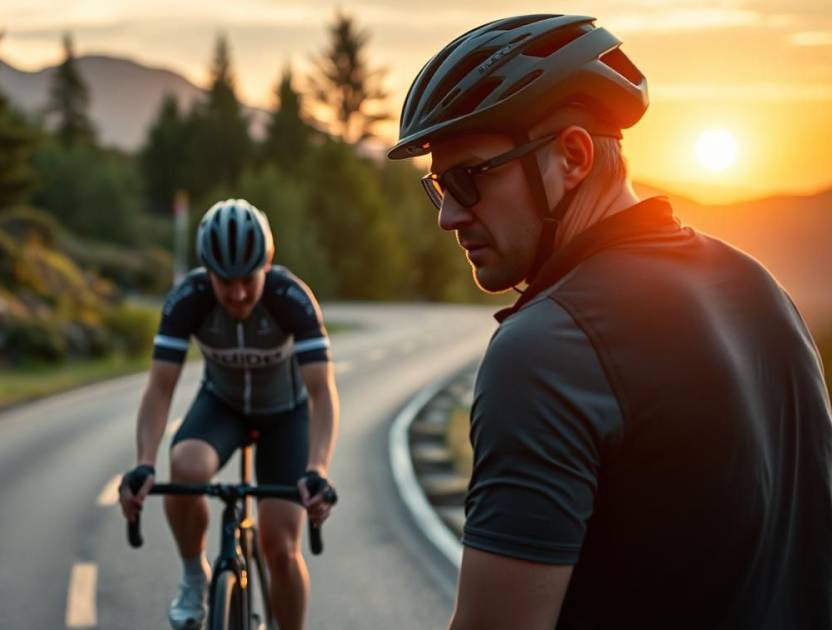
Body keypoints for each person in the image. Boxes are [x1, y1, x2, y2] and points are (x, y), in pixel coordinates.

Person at [389, 14, 831, 630]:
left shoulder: (544, 351)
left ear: (571, 156)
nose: (449, 216)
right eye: (440, 185)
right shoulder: (761, 292)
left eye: (468, 178)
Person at [118, 199, 340, 630]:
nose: (237, 294)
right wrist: (144, 461)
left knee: (280, 544)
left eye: (247, 281)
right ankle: (193, 575)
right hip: (222, 406)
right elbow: (160, 387)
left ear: (267, 266)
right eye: (225, 282)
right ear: (207, 274)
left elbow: (321, 393)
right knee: (183, 466)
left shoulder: (290, 296)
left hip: (285, 413)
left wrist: (317, 469)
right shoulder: (189, 298)